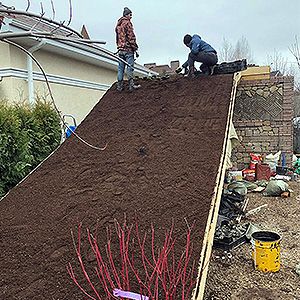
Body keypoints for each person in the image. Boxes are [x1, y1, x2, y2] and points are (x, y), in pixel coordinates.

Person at [115, 7, 140, 92]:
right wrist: (135, 47)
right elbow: (131, 37)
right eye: (130, 15)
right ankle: (131, 85)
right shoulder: (127, 23)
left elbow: (117, 37)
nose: (131, 16)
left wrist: (118, 46)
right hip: (128, 49)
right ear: (126, 15)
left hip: (120, 49)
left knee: (120, 68)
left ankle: (119, 86)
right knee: (130, 67)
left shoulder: (118, 25)